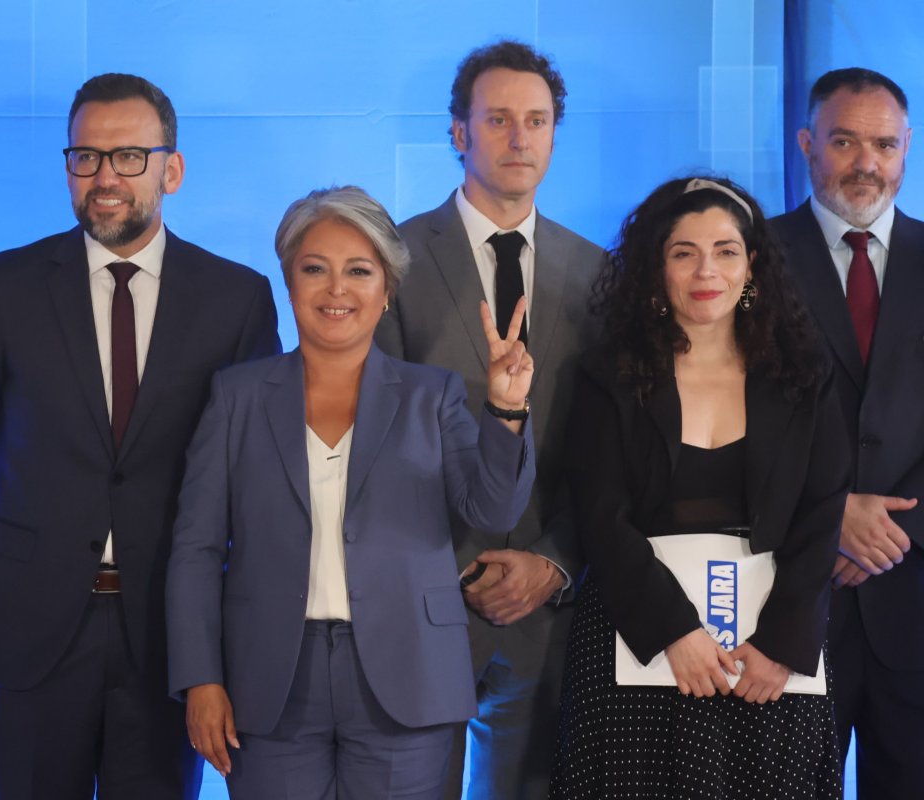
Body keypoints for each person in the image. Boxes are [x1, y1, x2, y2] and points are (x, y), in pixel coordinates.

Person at [0, 73, 280, 800]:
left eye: (129, 156)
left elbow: (248, 467)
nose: (105, 178)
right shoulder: (2, 287)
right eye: (86, 157)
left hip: (171, 631)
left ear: (172, 168)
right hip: (29, 621)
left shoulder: (237, 298)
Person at [166, 185, 536, 799]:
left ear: (386, 291)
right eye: (316, 269)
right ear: (289, 282)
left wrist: (505, 406)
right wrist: (201, 678)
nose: (337, 289)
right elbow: (196, 548)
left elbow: (493, 508)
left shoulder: (433, 394)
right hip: (270, 680)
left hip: (408, 672)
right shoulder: (237, 396)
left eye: (359, 271)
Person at [550, 176, 847, 799]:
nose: (705, 270)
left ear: (752, 264)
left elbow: (822, 515)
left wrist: (781, 646)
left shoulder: (803, 377)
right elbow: (601, 516)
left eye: (726, 250)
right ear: (656, 268)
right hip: (639, 648)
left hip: (766, 661)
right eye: (684, 252)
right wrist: (674, 633)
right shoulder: (609, 375)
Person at [375, 39, 605, 798]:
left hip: (548, 604)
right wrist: (449, 569)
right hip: (423, 602)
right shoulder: (391, 261)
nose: (519, 138)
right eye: (499, 119)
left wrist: (554, 562)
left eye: (536, 121)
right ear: (458, 133)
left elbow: (606, 451)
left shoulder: (598, 273)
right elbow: (372, 440)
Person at [770, 67, 924, 799]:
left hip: (916, 593)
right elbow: (725, 416)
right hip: (795, 598)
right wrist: (832, 515)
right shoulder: (748, 262)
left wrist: (894, 527)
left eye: (884, 144)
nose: (866, 162)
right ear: (806, 144)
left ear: (907, 149)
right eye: (844, 140)